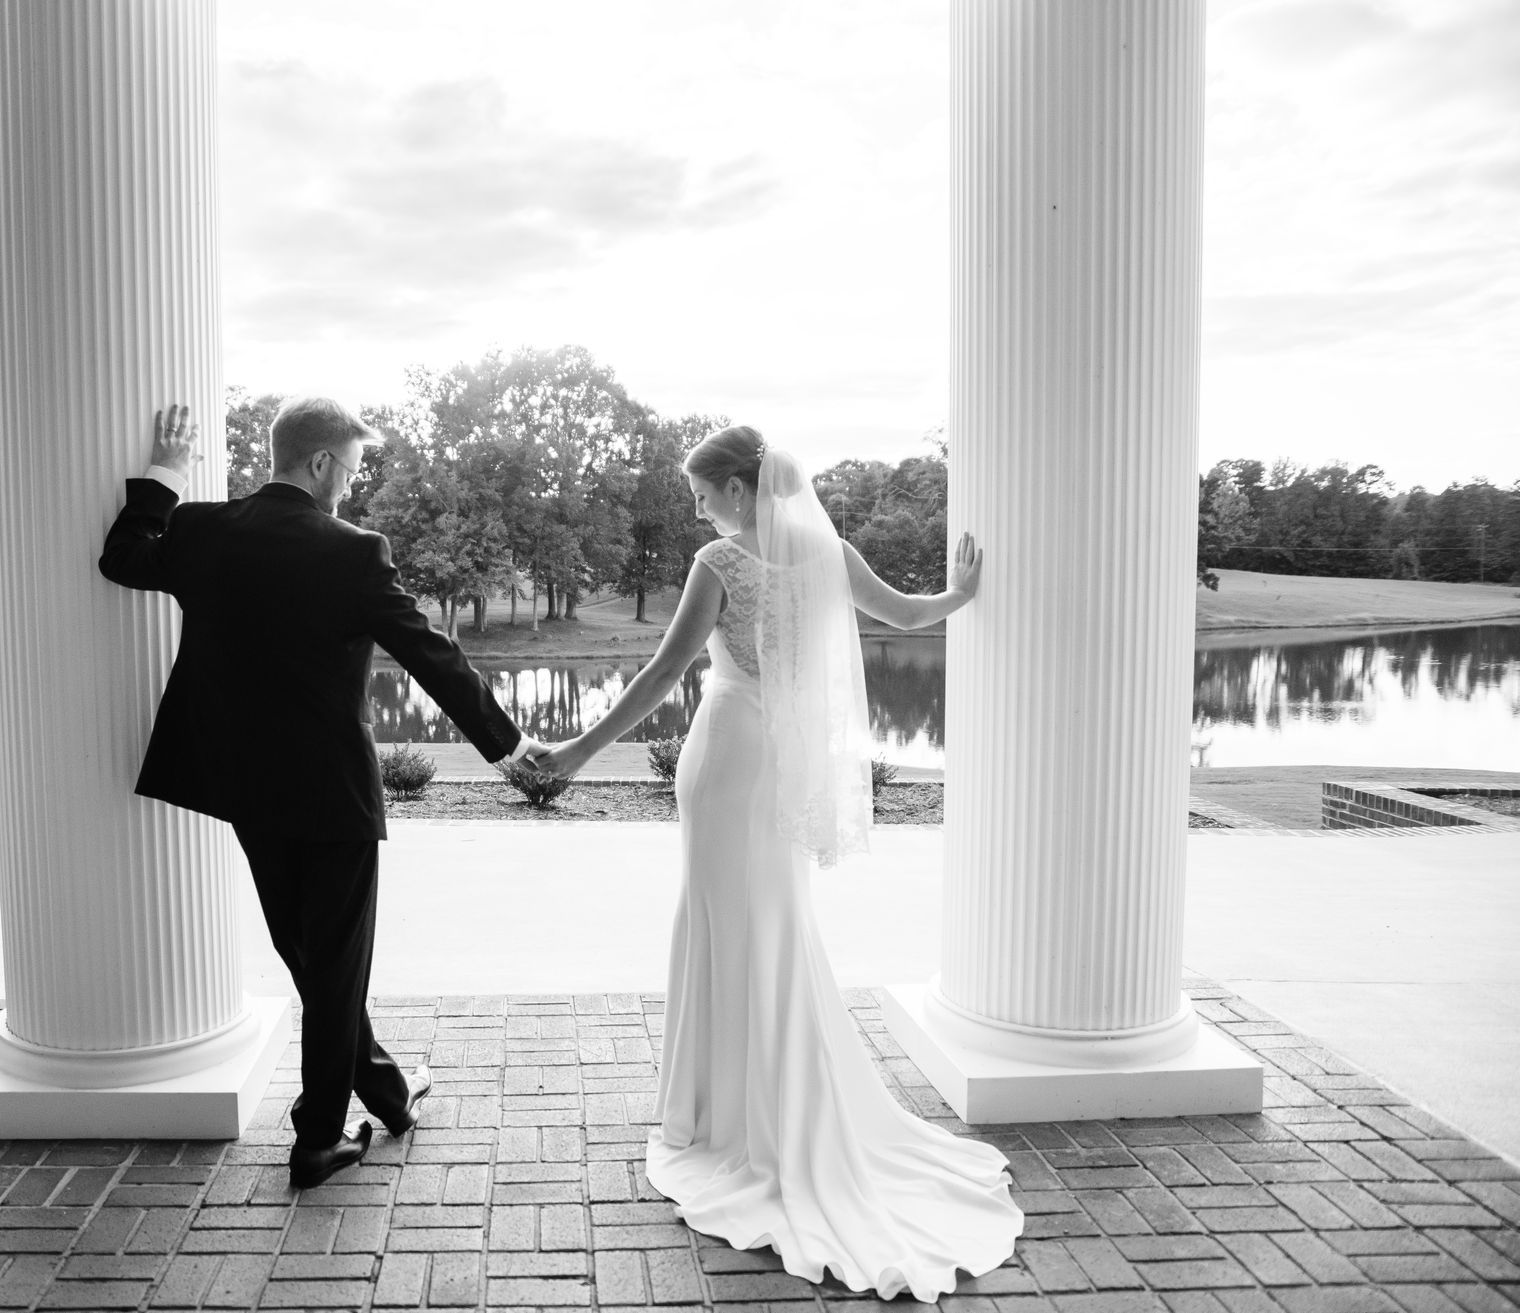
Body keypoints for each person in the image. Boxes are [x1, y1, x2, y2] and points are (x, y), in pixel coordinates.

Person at [540, 426, 1023, 1299]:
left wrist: (577, 750)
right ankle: (758, 1108)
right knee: (768, 923)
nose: (694, 506)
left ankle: (725, 1120)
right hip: (779, 765)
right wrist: (961, 593)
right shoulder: (831, 553)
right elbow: (908, 615)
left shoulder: (720, 564)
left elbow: (660, 675)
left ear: (735, 486)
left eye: (699, 490)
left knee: (727, 920)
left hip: (728, 758)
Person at [100, 398, 549, 1189]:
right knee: (334, 965)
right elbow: (430, 653)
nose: (354, 481)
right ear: (319, 465)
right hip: (332, 794)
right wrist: (509, 745)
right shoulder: (353, 551)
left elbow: (123, 556)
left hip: (240, 784)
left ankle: (386, 1092)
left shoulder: (204, 531)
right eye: (352, 465)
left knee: (312, 956)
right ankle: (317, 1138)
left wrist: (164, 471)